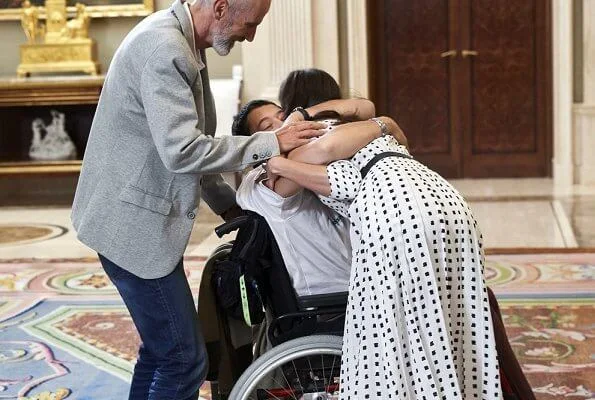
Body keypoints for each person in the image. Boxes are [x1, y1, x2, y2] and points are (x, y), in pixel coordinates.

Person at [70, 1, 326, 399]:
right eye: (250, 24)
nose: (251, 36)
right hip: (130, 226)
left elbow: (191, 141)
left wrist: (226, 204)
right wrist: (272, 142)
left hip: (125, 215)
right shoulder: (165, 49)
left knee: (162, 352)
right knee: (183, 360)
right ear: (222, 8)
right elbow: (183, 152)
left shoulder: (182, 39)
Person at [264, 71, 502, 399]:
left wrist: (277, 161)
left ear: (291, 105)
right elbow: (367, 107)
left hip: (397, 210)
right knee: (454, 321)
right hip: (446, 200)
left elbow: (342, 180)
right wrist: (384, 123)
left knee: (403, 334)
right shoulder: (363, 123)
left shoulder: (315, 139)